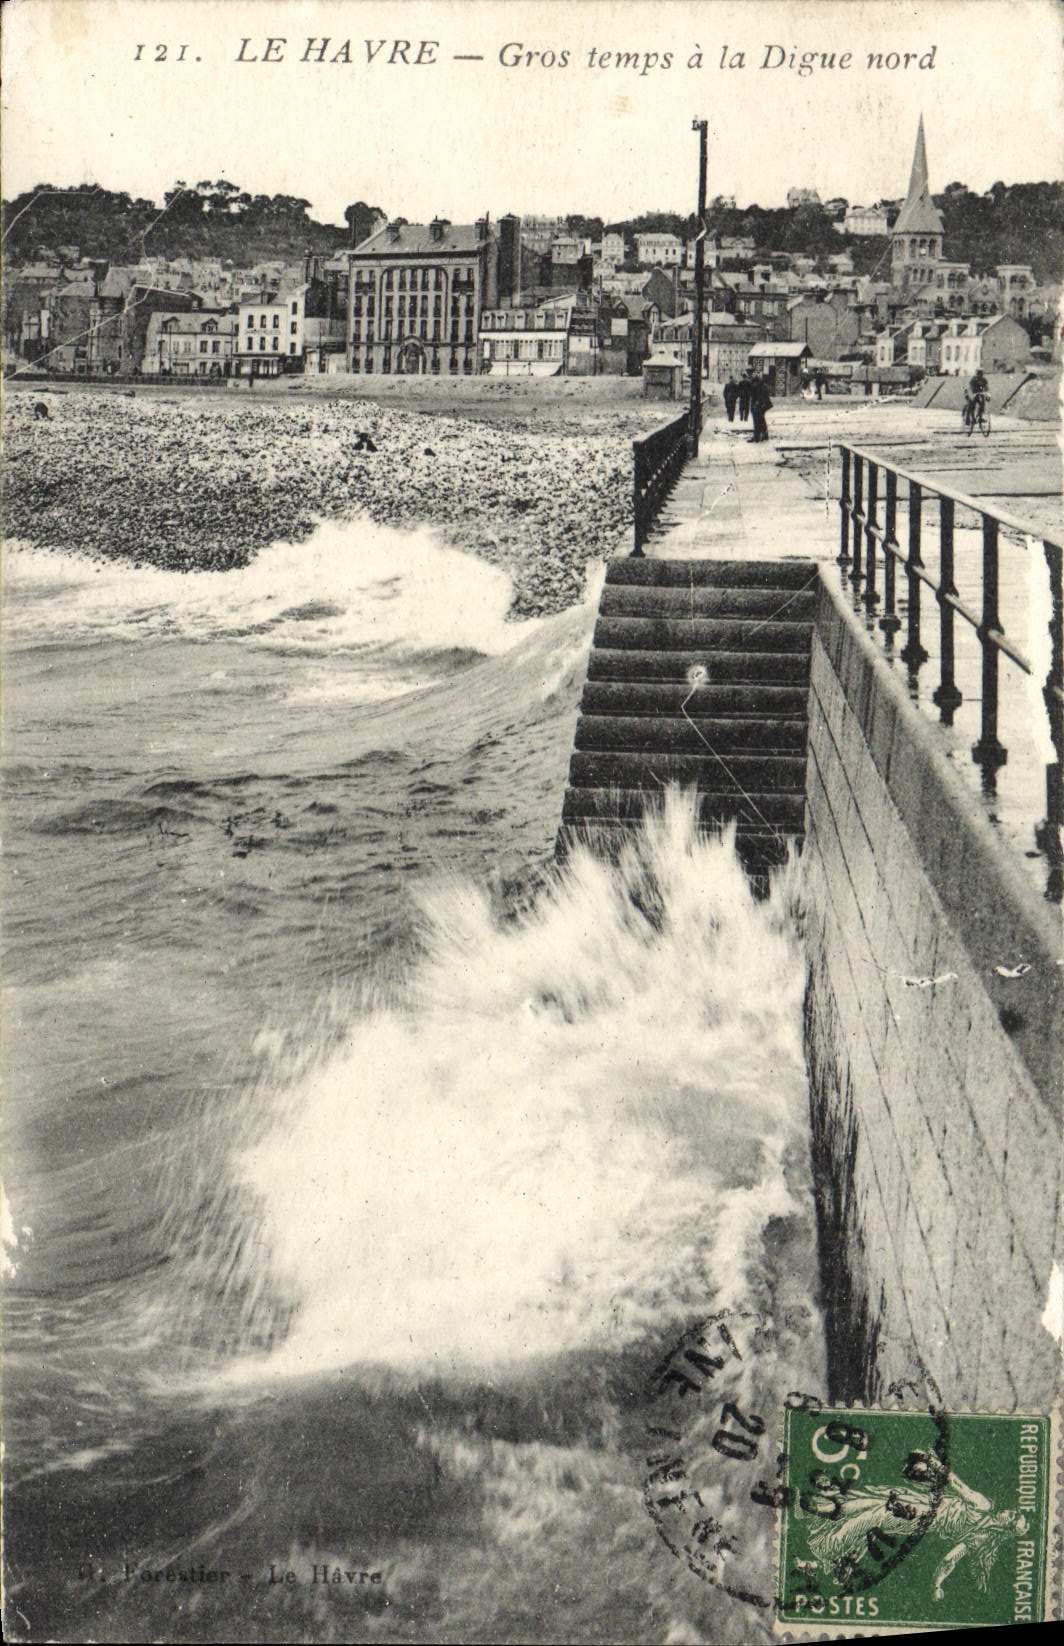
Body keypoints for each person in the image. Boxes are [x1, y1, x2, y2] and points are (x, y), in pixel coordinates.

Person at [749, 375, 773, 443]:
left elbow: (762, 398)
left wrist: (757, 404)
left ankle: (757, 436)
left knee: (758, 420)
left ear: (757, 382)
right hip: (759, 406)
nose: (753, 384)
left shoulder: (762, 387)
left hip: (761, 406)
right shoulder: (757, 386)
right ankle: (763, 435)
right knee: (760, 420)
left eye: (754, 383)